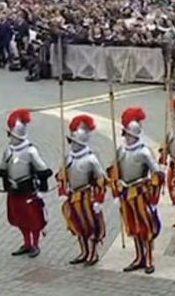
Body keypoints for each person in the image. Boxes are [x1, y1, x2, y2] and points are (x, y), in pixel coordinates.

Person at [113, 106, 164, 274]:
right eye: (125, 135)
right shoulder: (120, 150)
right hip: (126, 194)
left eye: (129, 135)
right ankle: (138, 256)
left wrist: (154, 194)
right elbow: (114, 171)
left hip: (141, 193)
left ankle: (149, 257)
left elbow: (157, 173)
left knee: (145, 227)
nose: (126, 138)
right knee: (133, 226)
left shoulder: (144, 152)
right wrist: (116, 187)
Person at [0, 108, 50, 256]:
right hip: (14, 190)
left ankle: (35, 244)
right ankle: (26, 243)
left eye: (11, 134)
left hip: (27, 189)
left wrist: (42, 190)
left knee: (32, 219)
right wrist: (6, 185)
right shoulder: (8, 150)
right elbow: (4, 169)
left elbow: (42, 170)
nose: (9, 137)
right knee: (19, 218)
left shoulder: (30, 151)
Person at [59, 114, 107, 266]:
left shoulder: (91, 159)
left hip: (87, 197)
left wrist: (98, 200)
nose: (71, 144)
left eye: (74, 142)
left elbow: (101, 180)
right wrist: (63, 188)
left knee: (91, 226)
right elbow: (61, 175)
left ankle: (93, 254)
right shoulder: (68, 158)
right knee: (77, 225)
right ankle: (83, 252)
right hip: (73, 197)